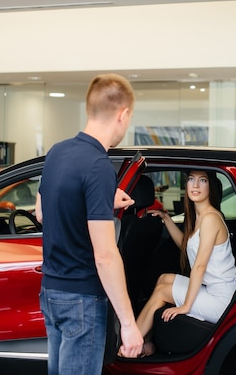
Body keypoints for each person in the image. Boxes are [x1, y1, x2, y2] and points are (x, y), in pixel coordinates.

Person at [35, 73, 144, 374]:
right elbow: (105, 255)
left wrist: (100, 202)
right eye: (129, 117)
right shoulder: (98, 166)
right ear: (122, 115)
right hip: (81, 299)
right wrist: (129, 324)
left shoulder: (58, 151)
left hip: (51, 291)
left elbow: (43, 212)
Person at [130, 170, 236, 357]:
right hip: (213, 289)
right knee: (164, 279)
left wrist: (185, 306)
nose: (195, 185)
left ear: (211, 186)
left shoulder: (210, 219)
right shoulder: (200, 215)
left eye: (202, 180)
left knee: (162, 292)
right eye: (191, 179)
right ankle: (147, 343)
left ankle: (131, 347)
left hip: (221, 298)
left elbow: (199, 266)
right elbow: (187, 245)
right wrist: (166, 219)